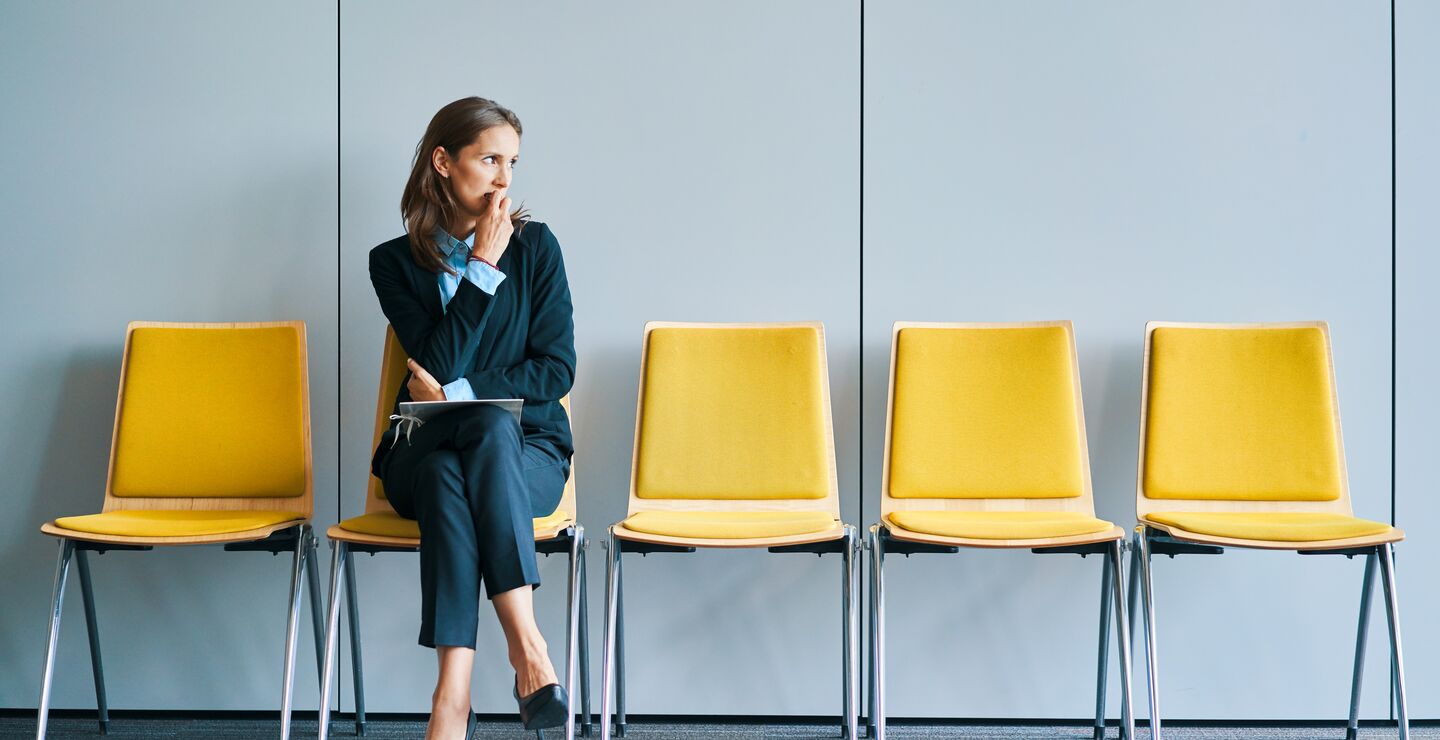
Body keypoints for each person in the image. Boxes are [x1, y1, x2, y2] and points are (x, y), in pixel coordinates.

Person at [368, 96, 575, 739]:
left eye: (512, 162)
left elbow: (554, 371)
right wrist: (481, 267)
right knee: (457, 451)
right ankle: (528, 649)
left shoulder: (537, 249)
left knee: (463, 461)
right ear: (443, 162)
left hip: (527, 454)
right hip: (420, 447)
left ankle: (450, 698)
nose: (504, 179)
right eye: (489, 159)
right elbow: (431, 360)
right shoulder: (393, 263)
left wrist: (458, 394)